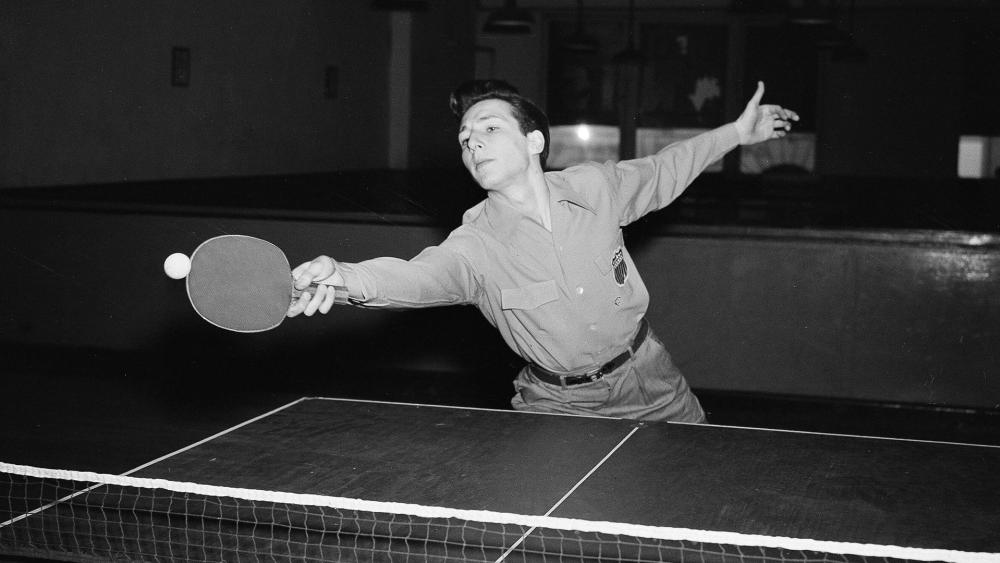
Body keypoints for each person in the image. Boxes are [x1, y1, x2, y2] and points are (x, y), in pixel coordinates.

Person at [287, 79, 798, 423]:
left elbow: (667, 169)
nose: (473, 144)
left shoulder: (596, 187)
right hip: (559, 404)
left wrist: (736, 133)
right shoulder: (474, 245)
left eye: (489, 129)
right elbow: (417, 278)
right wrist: (343, 277)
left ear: (534, 142)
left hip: (653, 379)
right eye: (465, 140)